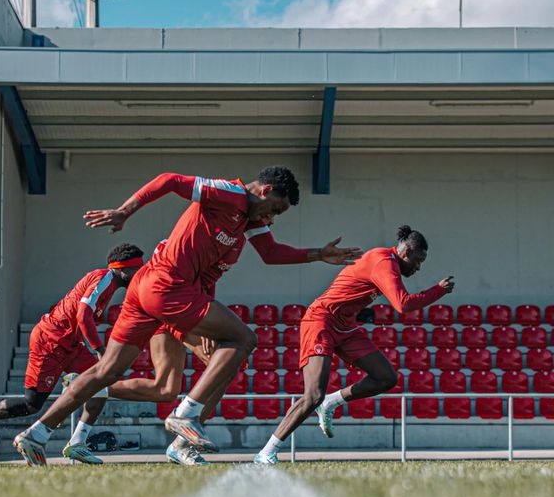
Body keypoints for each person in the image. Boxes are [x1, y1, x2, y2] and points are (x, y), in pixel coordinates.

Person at [28, 167, 362, 463]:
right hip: (167, 288)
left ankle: (37, 434)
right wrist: (124, 211)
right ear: (265, 191)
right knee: (243, 339)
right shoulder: (228, 193)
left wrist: (318, 254)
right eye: (275, 209)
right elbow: (170, 180)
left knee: (112, 372)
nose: (273, 218)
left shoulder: (250, 219)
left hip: (154, 291)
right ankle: (186, 418)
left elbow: (271, 253)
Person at [255, 225, 455, 464]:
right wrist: (438, 291)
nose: (419, 267)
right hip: (321, 320)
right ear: (406, 252)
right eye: (418, 260)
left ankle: (331, 401)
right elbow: (402, 304)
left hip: (345, 326)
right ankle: (266, 453)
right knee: (313, 394)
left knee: (386, 377)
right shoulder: (384, 261)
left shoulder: (387, 261)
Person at [0, 243, 144, 466]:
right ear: (122, 268)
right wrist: (99, 350)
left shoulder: (111, 287)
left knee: (101, 385)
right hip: (50, 340)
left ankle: (77, 443)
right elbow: (83, 314)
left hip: (71, 344)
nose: (140, 274)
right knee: (31, 404)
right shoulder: (104, 278)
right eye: (137, 269)